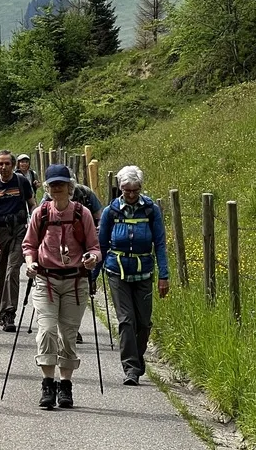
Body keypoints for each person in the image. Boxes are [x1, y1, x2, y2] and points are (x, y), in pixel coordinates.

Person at [23, 164, 101, 409]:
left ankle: (65, 385)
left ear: (70, 186)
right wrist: (30, 263)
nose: (58, 189)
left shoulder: (82, 213)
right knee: (46, 332)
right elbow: (29, 245)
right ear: (47, 188)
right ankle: (48, 384)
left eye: (61, 184)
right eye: (53, 185)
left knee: (68, 336)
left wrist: (91, 260)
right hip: (46, 280)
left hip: (75, 282)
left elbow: (95, 247)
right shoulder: (41, 213)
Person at [99, 165, 170, 386]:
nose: (130, 195)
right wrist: (92, 276)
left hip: (144, 271)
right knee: (126, 321)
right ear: (120, 188)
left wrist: (164, 275)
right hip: (116, 271)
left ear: (140, 188)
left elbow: (159, 243)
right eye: (126, 190)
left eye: (135, 190)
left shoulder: (150, 210)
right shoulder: (110, 211)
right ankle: (131, 368)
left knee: (144, 323)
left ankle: (137, 360)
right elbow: (101, 245)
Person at [0, 149, 36, 332]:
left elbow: (32, 206)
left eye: (7, 163)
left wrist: (36, 228)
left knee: (12, 271)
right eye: (0, 164)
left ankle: (9, 313)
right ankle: (2, 307)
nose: (3, 167)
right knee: (0, 277)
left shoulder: (22, 182)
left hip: (19, 231)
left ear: (13, 165)